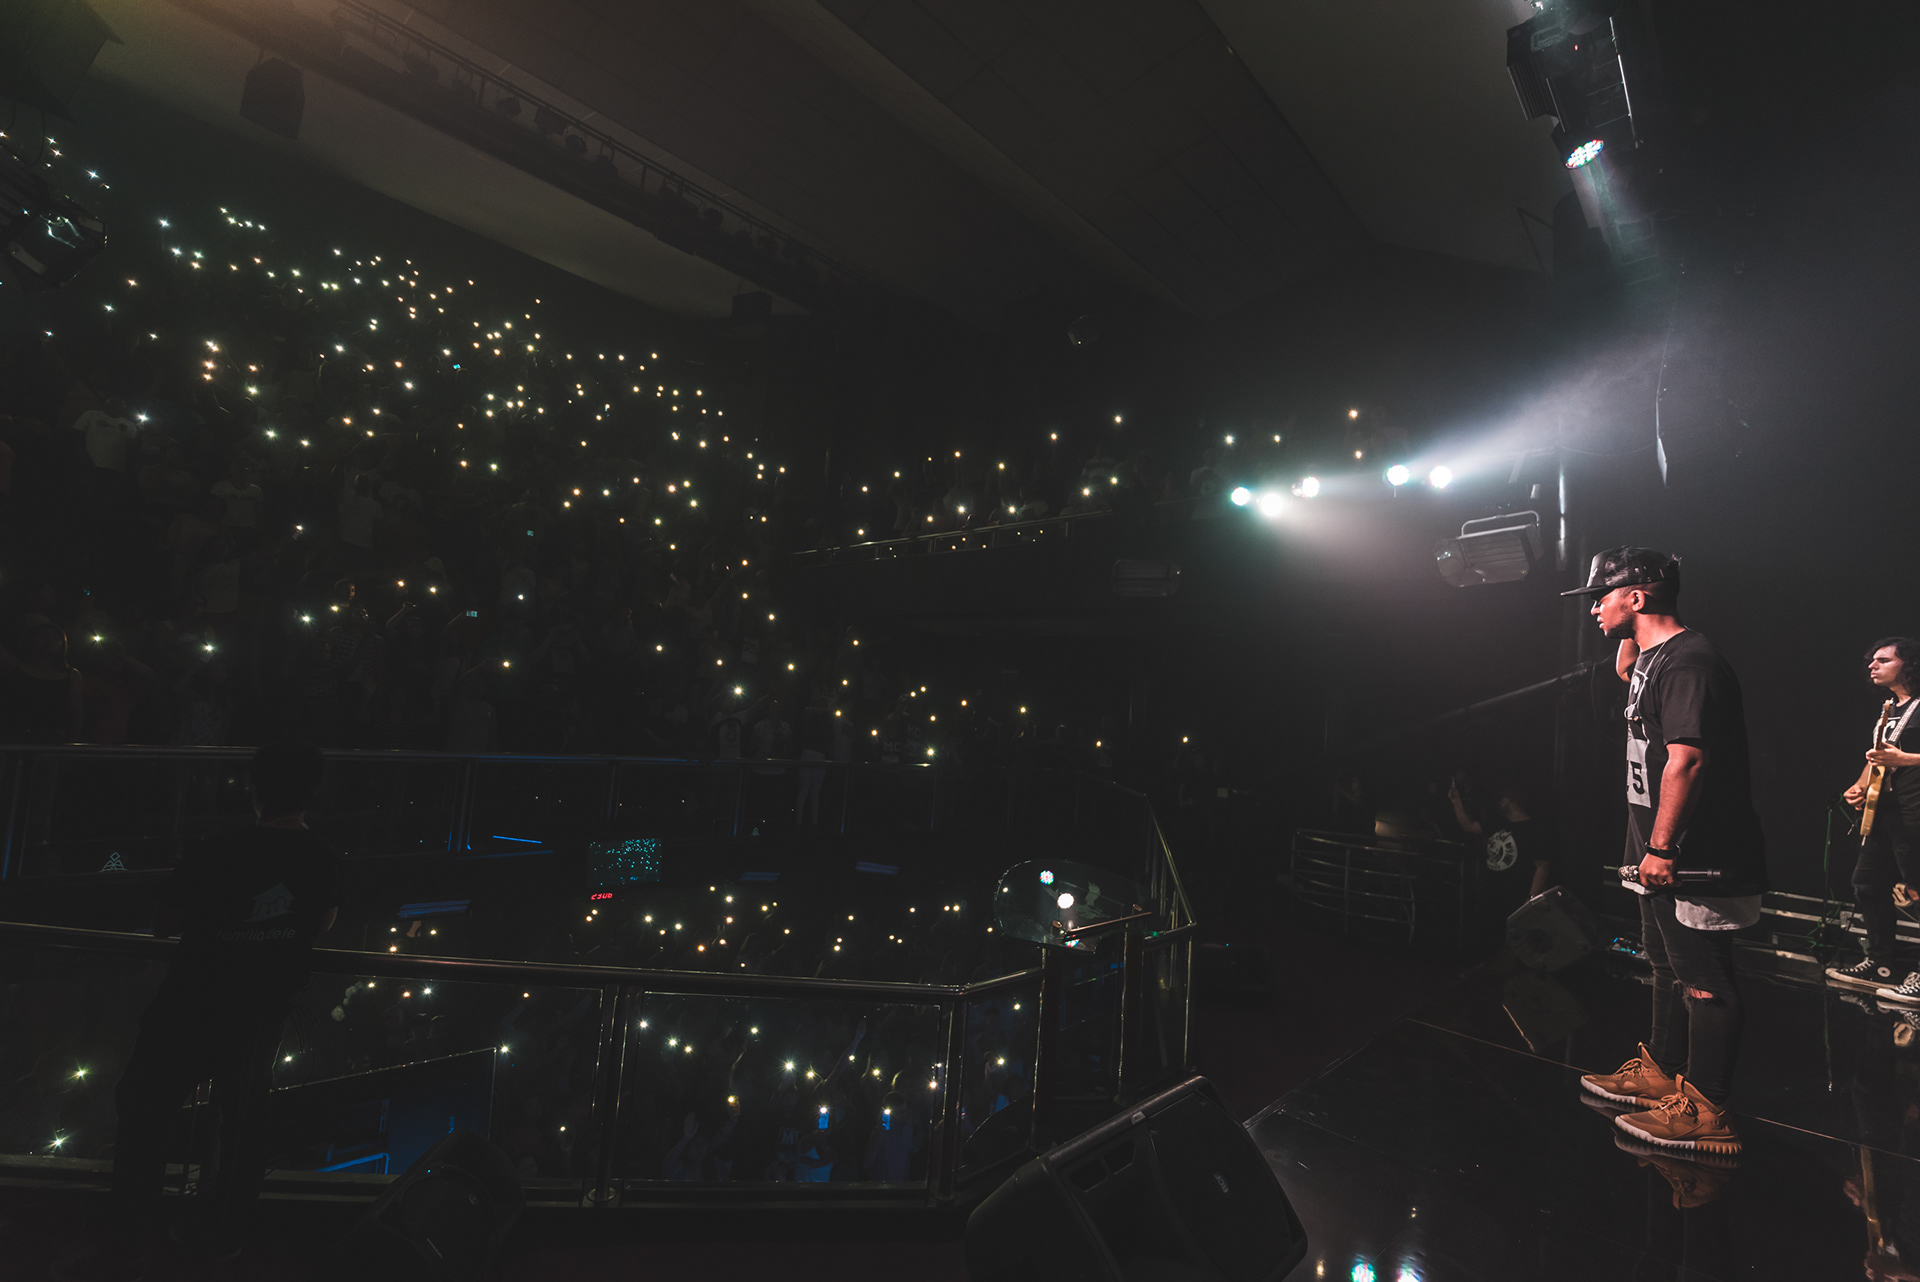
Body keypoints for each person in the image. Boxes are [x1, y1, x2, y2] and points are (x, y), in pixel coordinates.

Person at [58, 744, 342, 1280]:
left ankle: (128, 1240)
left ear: (255, 788)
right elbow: (321, 924)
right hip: (261, 1010)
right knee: (243, 1124)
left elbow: (165, 924)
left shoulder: (221, 849)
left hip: (192, 1004)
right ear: (313, 792)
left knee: (145, 1112)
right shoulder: (323, 857)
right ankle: (223, 1237)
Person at [1569, 547, 1767, 1159]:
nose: (1593, 609)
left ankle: (1707, 1109)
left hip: (1692, 850)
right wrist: (1628, 641)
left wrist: (1661, 847)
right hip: (1654, 847)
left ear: (1637, 597)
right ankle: (1662, 1071)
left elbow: (1688, 760)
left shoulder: (1690, 662)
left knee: (1705, 979)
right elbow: (1634, 673)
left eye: (1600, 597)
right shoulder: (1655, 660)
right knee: (1664, 964)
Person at [1828, 638, 1920, 997]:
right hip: (1886, 813)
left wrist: (1906, 760)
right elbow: (1879, 757)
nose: (1872, 665)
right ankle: (1882, 964)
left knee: (1916, 890)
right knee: (1867, 883)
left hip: (1915, 811)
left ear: (1908, 664)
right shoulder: (1890, 708)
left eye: (1883, 660)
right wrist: (1859, 786)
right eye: (1872, 660)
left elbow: (1898, 757)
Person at [1449, 778, 1555, 911]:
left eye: (1503, 799)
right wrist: (1457, 803)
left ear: (1514, 804)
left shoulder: (1534, 829)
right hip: (1491, 895)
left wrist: (1531, 898)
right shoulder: (1498, 823)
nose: (1499, 802)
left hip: (1516, 898)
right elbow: (1469, 826)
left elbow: (1542, 866)